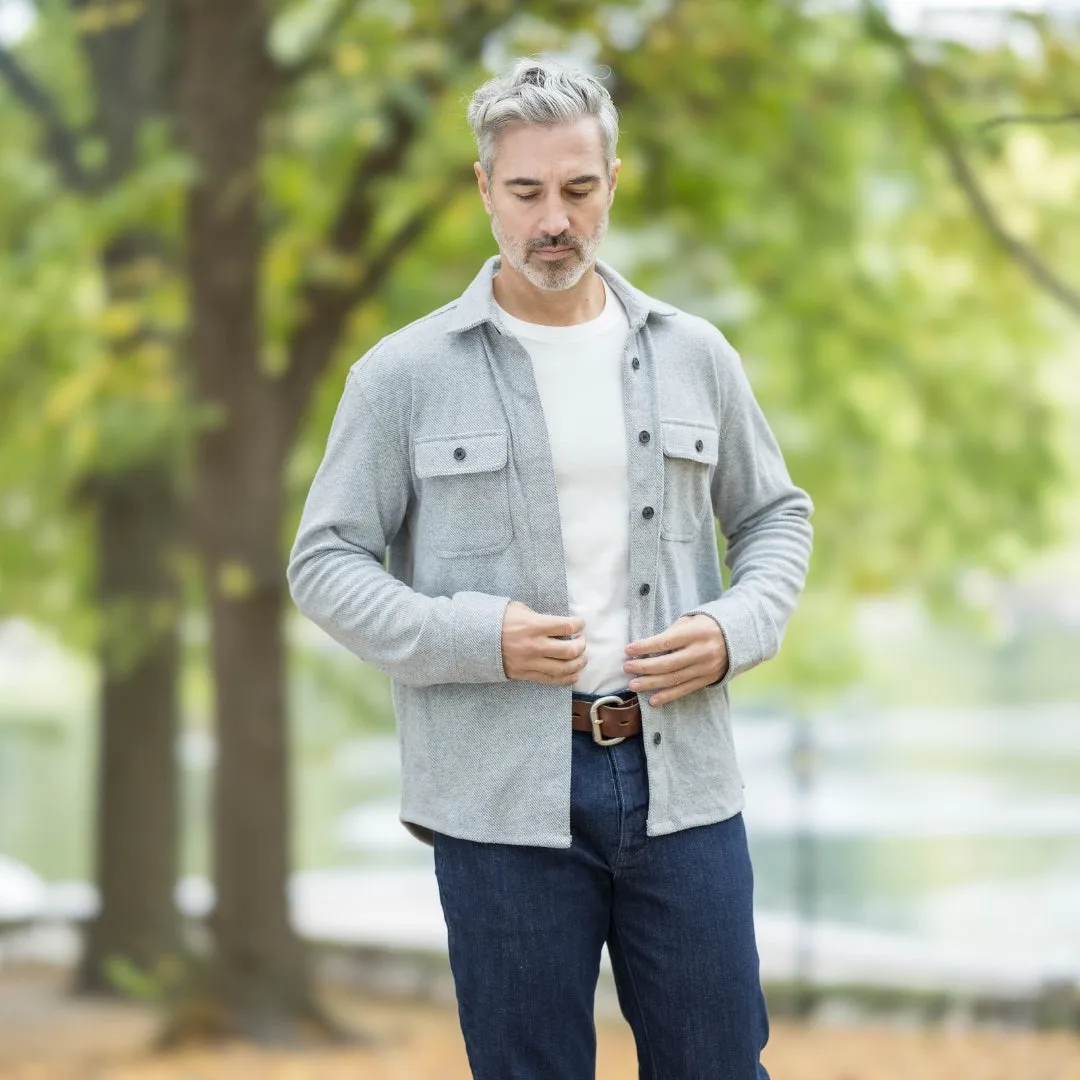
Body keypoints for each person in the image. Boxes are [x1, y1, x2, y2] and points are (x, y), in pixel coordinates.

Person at [288, 56, 813, 1080]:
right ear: (485, 189)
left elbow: (776, 518)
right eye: (526, 192)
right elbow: (324, 561)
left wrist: (731, 631)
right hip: (498, 798)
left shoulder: (694, 353)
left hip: (685, 786)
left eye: (578, 190)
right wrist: (476, 638)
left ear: (613, 181)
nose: (553, 220)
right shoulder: (402, 375)